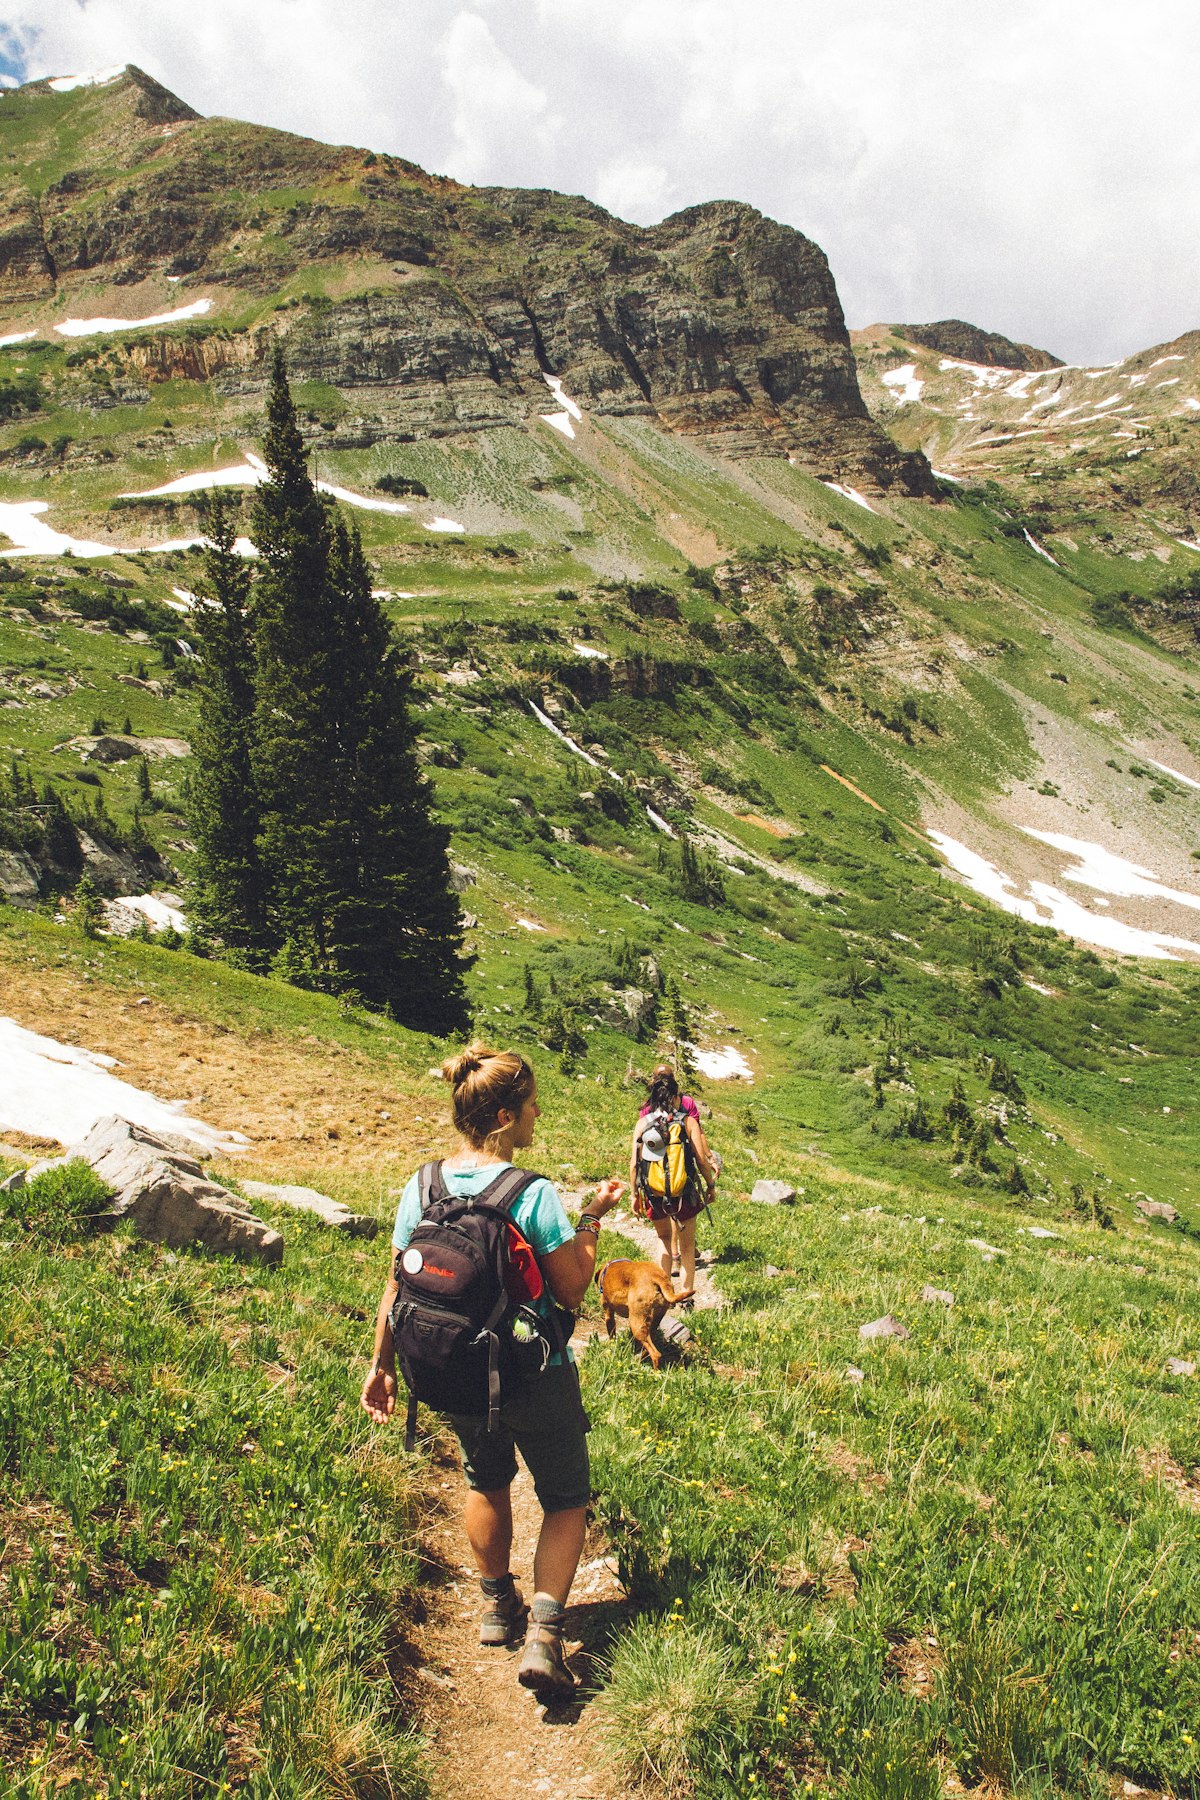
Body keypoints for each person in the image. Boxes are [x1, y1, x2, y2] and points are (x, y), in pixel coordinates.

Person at [360, 1043, 623, 1699]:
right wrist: (590, 1218)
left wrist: (380, 1366)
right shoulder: (530, 1194)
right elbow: (570, 1290)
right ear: (505, 1116)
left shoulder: (422, 1185)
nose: (538, 1115)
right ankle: (544, 1634)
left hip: (451, 1368)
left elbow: (397, 1283)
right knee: (565, 1498)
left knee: (485, 1478)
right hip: (534, 1371)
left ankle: (493, 1604)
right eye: (532, 1105)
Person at [629, 1064, 717, 1295]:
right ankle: (686, 1296)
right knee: (687, 1247)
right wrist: (710, 1185)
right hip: (684, 1191)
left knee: (663, 1240)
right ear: (676, 1096)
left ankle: (663, 1294)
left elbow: (634, 1164)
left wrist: (634, 1195)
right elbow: (700, 1160)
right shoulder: (687, 1122)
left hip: (654, 1193)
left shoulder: (642, 1123)